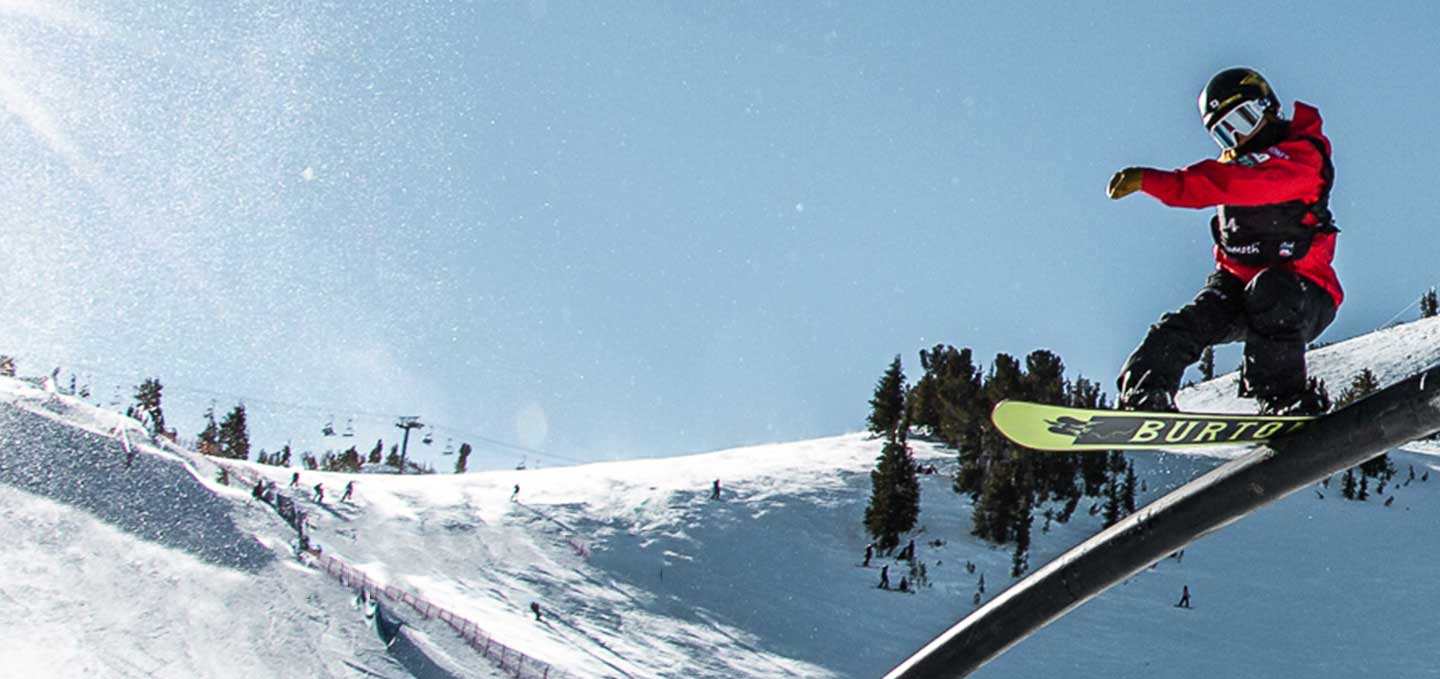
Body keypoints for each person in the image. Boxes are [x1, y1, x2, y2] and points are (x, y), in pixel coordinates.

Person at [1108, 67, 1341, 416]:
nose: (1238, 137)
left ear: (1267, 107)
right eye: (1224, 133)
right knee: (1185, 324)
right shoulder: (1231, 167)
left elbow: (1241, 183)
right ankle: (1145, 395)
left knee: (1272, 289)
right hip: (1236, 286)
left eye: (1243, 120)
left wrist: (1156, 182)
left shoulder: (1301, 158)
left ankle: (1284, 397)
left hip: (1303, 294)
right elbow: (1223, 181)